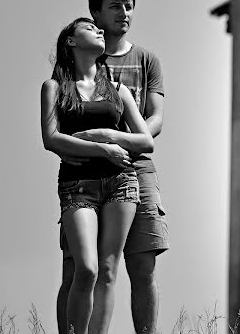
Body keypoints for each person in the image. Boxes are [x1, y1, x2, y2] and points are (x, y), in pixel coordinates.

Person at [56, 0, 169, 334]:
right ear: (94, 14)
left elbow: (156, 120)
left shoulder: (146, 59)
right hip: (85, 172)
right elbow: (63, 123)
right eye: (115, 7)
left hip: (138, 171)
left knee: (141, 265)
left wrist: (116, 138)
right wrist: (97, 146)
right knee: (77, 268)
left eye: (129, 6)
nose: (125, 13)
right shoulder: (81, 60)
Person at [41, 17, 154, 334]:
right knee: (86, 269)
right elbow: (51, 138)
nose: (100, 31)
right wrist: (103, 150)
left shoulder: (120, 90)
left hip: (122, 183)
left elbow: (145, 141)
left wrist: (106, 135)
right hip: (78, 187)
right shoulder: (55, 88)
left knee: (107, 270)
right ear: (71, 42)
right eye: (89, 28)